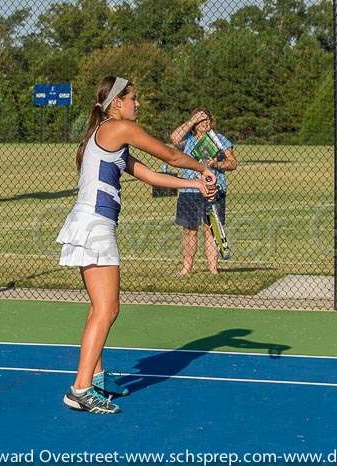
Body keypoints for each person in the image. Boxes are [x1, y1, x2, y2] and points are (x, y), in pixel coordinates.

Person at [56, 76, 217, 414]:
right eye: (133, 99)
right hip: (94, 225)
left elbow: (150, 175)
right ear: (117, 103)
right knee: (108, 309)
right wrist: (202, 168)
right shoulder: (117, 128)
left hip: (91, 224)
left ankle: (95, 378)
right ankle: (80, 389)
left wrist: (195, 186)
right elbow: (170, 155)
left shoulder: (109, 135)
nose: (137, 104)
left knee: (98, 308)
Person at [170, 108, 238, 275]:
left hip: (214, 189)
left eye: (207, 119)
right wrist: (192, 121)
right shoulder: (188, 140)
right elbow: (174, 138)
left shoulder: (219, 140)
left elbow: (233, 163)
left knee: (211, 229)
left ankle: (213, 269)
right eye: (200, 120)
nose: (204, 122)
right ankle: (186, 269)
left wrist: (216, 164)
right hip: (189, 189)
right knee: (190, 230)